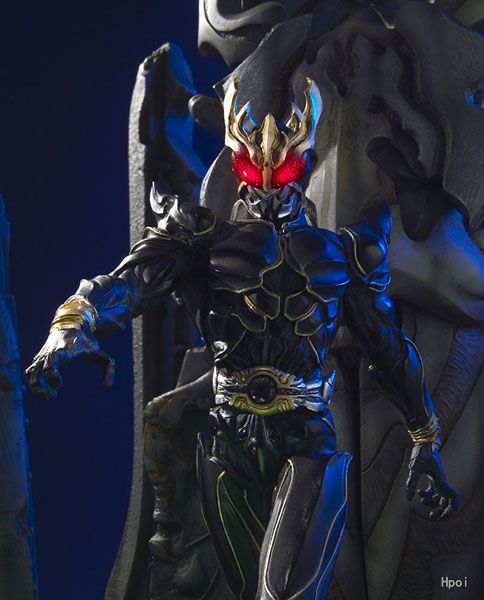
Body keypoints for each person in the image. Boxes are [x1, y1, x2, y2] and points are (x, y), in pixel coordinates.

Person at [26, 78, 457, 600]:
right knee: (249, 590)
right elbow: (128, 283)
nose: (270, 182)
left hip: (306, 438)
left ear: (305, 165)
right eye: (254, 170)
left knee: (282, 592)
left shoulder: (340, 253)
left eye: (285, 169)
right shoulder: (200, 242)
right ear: (237, 168)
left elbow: (388, 349)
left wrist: (424, 438)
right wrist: (72, 322)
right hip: (228, 443)